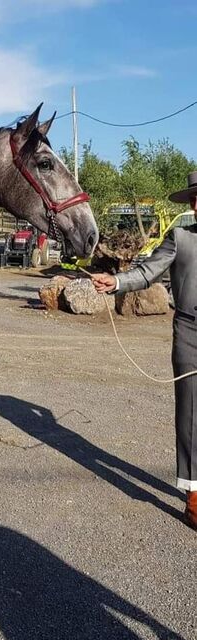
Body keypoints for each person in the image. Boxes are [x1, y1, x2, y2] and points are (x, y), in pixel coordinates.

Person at [92, 171, 197, 531]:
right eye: (195, 199)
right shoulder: (180, 238)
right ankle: (194, 493)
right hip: (190, 334)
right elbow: (148, 271)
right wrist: (117, 281)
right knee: (191, 414)